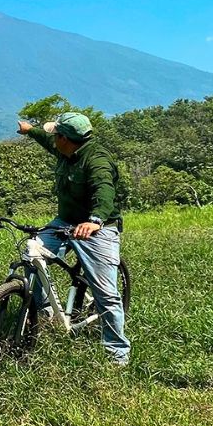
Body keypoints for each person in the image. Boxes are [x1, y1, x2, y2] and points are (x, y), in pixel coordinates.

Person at [17, 112, 131, 365]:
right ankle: (44, 314)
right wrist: (29, 130)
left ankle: (117, 354)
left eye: (55, 134)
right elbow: (45, 141)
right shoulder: (65, 150)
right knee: (32, 254)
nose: (52, 138)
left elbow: (104, 191)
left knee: (105, 292)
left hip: (98, 226)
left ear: (66, 139)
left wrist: (95, 221)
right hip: (65, 221)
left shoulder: (97, 161)